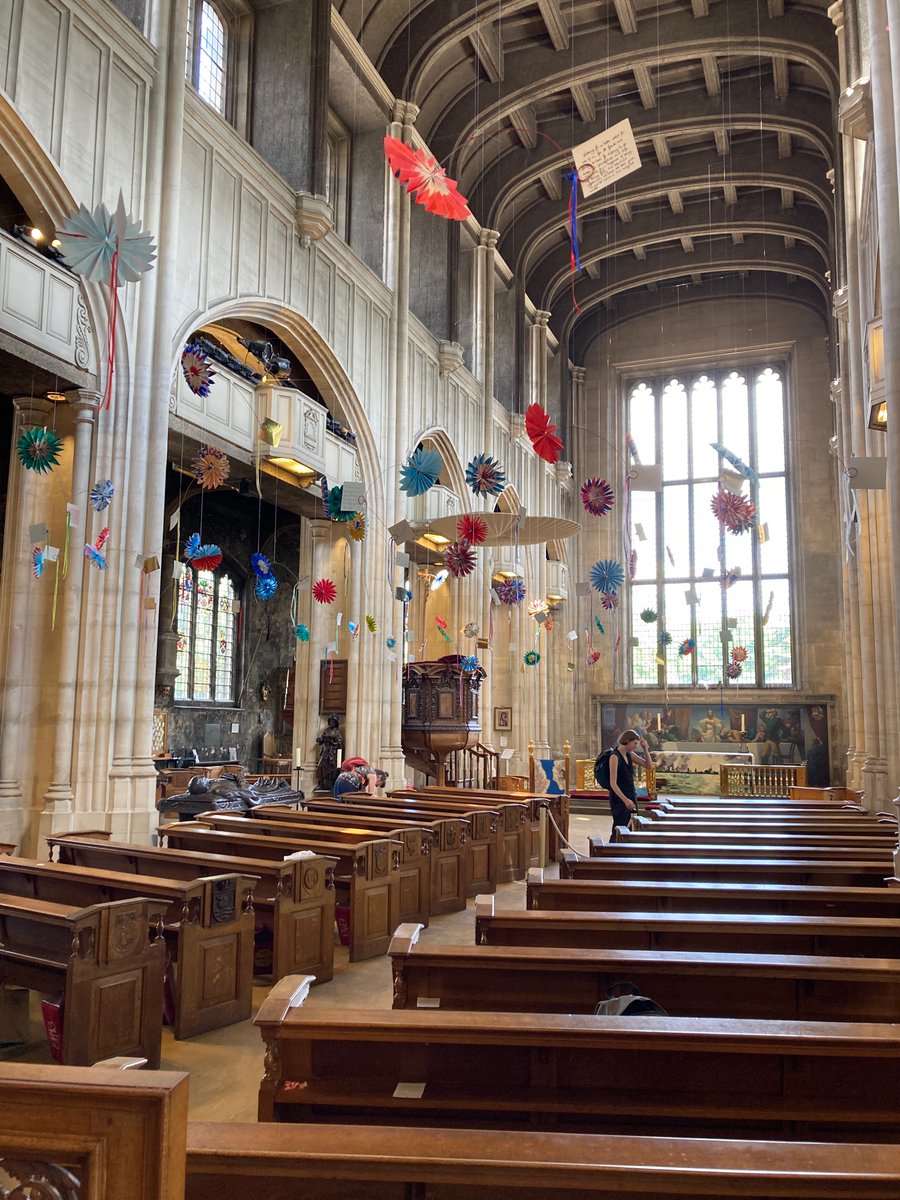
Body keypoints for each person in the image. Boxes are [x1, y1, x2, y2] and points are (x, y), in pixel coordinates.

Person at [607, 728, 651, 835]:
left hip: (630, 794)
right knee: (620, 826)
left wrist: (645, 749)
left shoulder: (630, 754)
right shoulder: (614, 756)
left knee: (631, 826)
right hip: (619, 797)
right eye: (635, 743)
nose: (636, 746)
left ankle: (626, 849)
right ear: (627, 740)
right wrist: (625, 800)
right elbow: (613, 783)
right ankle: (613, 849)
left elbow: (648, 765)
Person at [315, 715, 343, 793]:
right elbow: (322, 739)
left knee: (332, 768)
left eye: (333, 722)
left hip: (333, 752)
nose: (331, 723)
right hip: (326, 751)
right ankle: (321, 784)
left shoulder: (337, 731)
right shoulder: (326, 730)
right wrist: (320, 740)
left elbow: (340, 743)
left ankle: (332, 785)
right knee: (320, 767)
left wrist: (333, 741)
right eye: (330, 721)